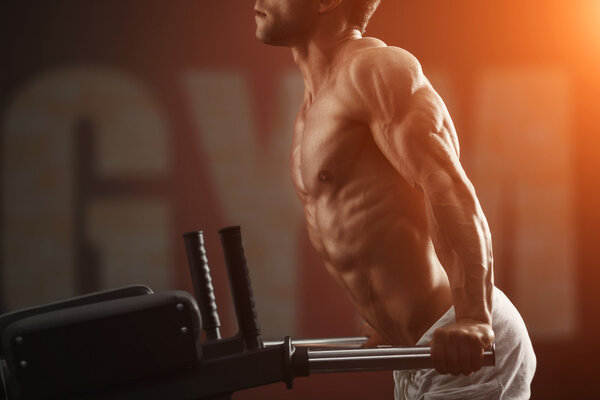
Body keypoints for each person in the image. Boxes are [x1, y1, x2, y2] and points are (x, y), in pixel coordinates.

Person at [254, 0, 536, 398]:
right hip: (414, 353)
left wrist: (473, 317)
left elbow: (446, 185)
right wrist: (385, 320)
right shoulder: (311, 107)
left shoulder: (375, 70)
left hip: (462, 344)